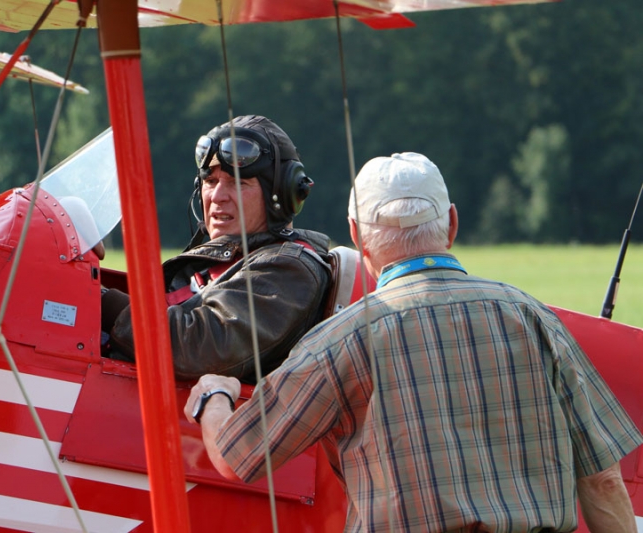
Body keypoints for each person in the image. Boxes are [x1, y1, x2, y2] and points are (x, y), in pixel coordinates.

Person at [185, 152, 643, 532]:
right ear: (451, 223)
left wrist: (214, 395)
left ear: (356, 234)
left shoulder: (338, 341)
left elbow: (236, 456)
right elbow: (602, 480)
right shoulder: (534, 316)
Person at [102, 115, 331, 384]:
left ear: (281, 193)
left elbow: (201, 349)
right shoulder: (229, 258)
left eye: (237, 182)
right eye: (210, 181)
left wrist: (106, 304)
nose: (217, 196)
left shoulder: (289, 269)